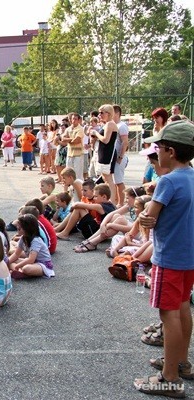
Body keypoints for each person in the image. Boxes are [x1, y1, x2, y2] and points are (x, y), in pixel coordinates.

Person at [133, 120, 194, 398]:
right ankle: (181, 363)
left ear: (169, 151)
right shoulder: (192, 177)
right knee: (183, 309)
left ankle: (169, 378)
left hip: (169, 257)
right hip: (188, 256)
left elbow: (150, 218)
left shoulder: (167, 181)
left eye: (158, 148)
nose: (156, 152)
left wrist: (145, 218)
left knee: (167, 313)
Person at [8, 214, 55, 279]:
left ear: (27, 228)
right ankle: (20, 272)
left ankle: (21, 271)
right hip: (32, 262)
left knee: (26, 268)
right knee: (10, 261)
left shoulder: (36, 240)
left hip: (42, 264)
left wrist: (17, 266)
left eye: (20, 226)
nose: (17, 227)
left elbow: (31, 260)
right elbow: (16, 254)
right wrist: (6, 262)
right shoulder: (23, 238)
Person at [93, 104, 118, 204]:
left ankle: (112, 202)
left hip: (108, 153)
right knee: (105, 177)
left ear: (108, 113)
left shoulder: (110, 124)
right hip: (103, 152)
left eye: (101, 113)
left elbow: (106, 140)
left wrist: (96, 133)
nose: (100, 115)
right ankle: (109, 200)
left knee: (108, 179)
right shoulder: (106, 124)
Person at [112, 105, 130, 205]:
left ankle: (121, 203)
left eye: (112, 112)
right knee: (114, 181)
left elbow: (125, 142)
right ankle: (115, 201)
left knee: (119, 181)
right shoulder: (113, 125)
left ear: (117, 113)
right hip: (113, 157)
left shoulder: (122, 126)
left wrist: (120, 156)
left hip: (119, 157)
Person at [63, 113, 85, 180]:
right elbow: (63, 139)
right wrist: (72, 139)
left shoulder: (80, 129)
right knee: (68, 173)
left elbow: (77, 140)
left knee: (78, 174)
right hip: (70, 153)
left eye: (76, 119)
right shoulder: (68, 129)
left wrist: (68, 139)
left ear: (78, 120)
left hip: (78, 154)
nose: (74, 120)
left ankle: (79, 189)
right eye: (73, 119)